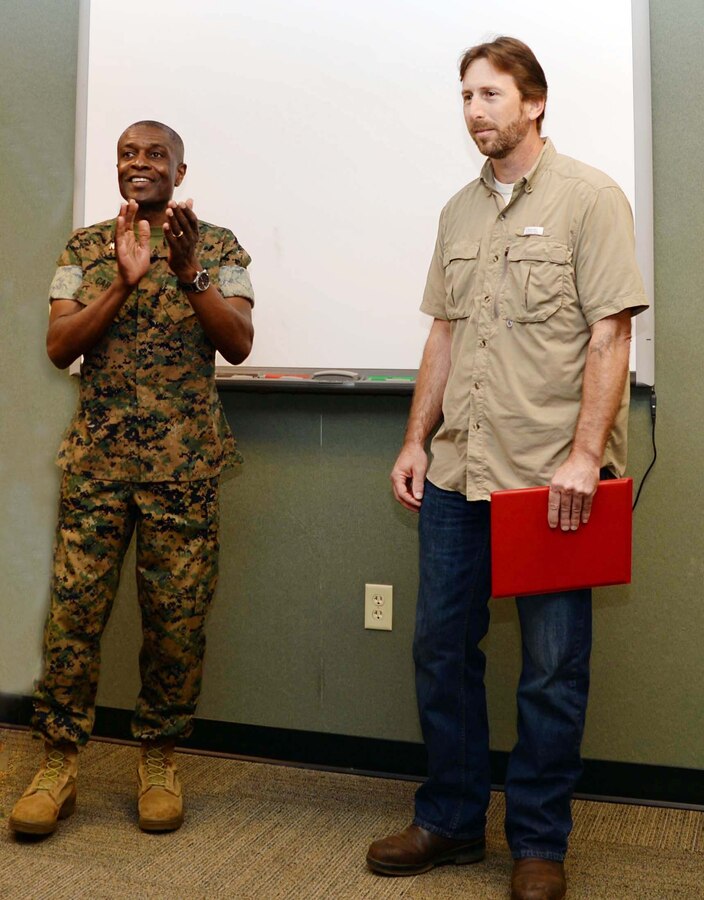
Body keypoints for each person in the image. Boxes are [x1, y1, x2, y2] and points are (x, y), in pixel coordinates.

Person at [366, 37, 648, 900]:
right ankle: (450, 820)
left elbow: (612, 334)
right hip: (459, 474)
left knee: (553, 668)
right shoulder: (458, 211)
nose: (474, 110)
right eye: (464, 96)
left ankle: (538, 843)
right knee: (441, 650)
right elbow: (443, 335)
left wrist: (579, 457)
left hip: (549, 484)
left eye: (490, 94)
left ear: (534, 102)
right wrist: (417, 440)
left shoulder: (591, 198)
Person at [9, 120, 254, 836]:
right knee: (72, 620)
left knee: (175, 624)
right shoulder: (86, 247)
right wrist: (121, 282)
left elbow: (237, 343)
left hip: (185, 471)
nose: (138, 164)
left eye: (155, 156)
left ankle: (159, 759)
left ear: (181, 172)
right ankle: (56, 764)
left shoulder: (218, 247)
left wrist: (186, 274)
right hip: (97, 470)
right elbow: (59, 347)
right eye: (127, 154)